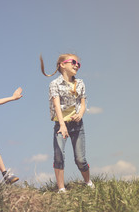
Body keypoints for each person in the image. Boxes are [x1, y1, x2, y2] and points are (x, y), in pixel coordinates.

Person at [40, 53, 94, 193]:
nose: (76, 65)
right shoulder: (54, 84)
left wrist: (80, 114)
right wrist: (62, 125)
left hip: (77, 125)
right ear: (62, 65)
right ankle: (61, 189)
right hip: (61, 124)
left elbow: (83, 103)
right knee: (59, 155)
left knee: (80, 159)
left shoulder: (80, 83)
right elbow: (56, 105)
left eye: (78, 64)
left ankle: (88, 182)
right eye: (73, 62)